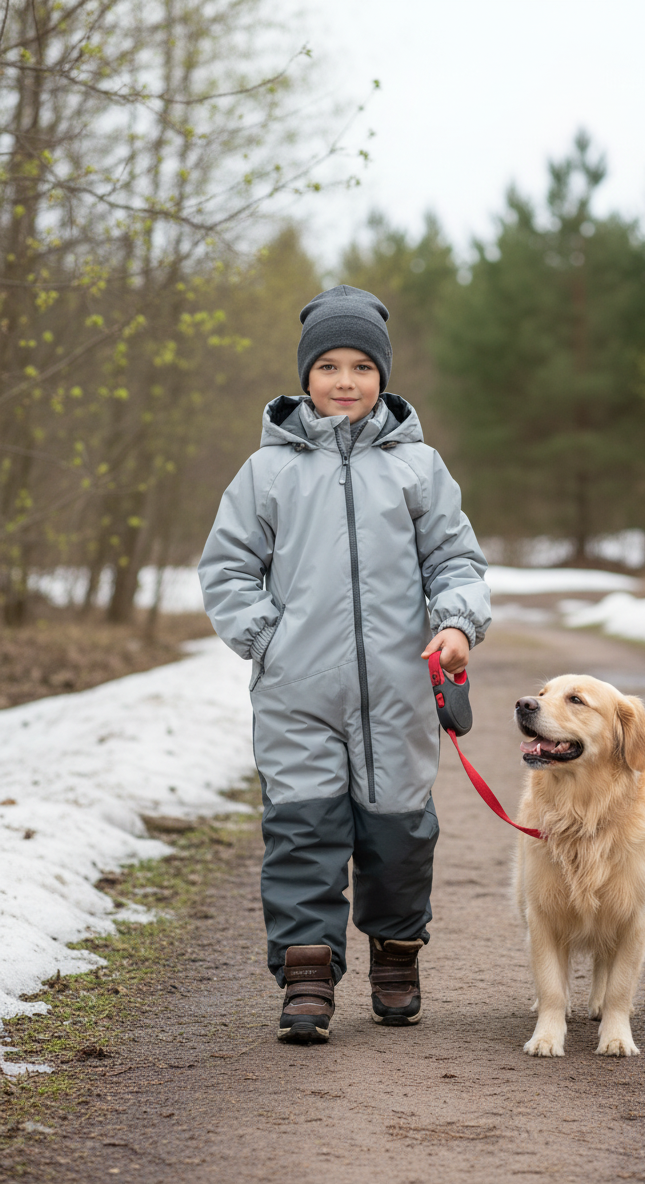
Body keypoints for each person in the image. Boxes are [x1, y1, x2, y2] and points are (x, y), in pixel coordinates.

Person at [198, 285, 491, 1043]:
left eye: (362, 366)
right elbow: (228, 568)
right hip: (297, 690)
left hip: (399, 688)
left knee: (399, 833)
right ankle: (306, 974)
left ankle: (396, 952)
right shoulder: (266, 472)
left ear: (383, 376)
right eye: (328, 365)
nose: (345, 381)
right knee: (303, 828)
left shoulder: (418, 467)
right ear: (305, 376)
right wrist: (268, 639)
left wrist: (456, 623)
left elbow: (455, 560)